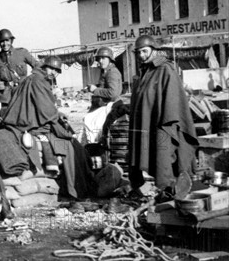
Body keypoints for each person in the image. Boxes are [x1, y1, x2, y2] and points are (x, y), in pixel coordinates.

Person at [0, 56, 95, 199]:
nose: (54, 73)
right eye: (52, 69)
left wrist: (58, 113)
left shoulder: (31, 78)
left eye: (57, 71)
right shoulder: (38, 81)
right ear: (45, 68)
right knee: (68, 146)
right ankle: (75, 190)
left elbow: (41, 107)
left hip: (21, 122)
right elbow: (47, 111)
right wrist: (62, 129)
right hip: (30, 125)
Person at [128, 35, 198, 191]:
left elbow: (173, 100)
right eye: (138, 53)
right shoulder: (144, 72)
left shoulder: (165, 69)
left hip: (164, 122)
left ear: (154, 50)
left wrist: (165, 121)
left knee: (164, 157)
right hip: (149, 122)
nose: (141, 56)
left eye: (144, 51)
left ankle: (168, 191)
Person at [0, 29, 41, 114]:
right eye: (2, 41)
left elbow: (38, 66)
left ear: (11, 40)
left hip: (22, 92)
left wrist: (31, 80)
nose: (5, 44)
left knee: (25, 116)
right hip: (6, 95)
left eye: (7, 40)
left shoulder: (22, 53)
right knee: (7, 119)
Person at [84, 46, 125, 143]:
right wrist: (95, 87)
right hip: (105, 105)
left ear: (110, 59)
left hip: (110, 106)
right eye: (99, 58)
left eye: (103, 58)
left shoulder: (112, 73)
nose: (100, 61)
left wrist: (95, 90)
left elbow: (113, 93)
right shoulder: (106, 71)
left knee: (89, 122)